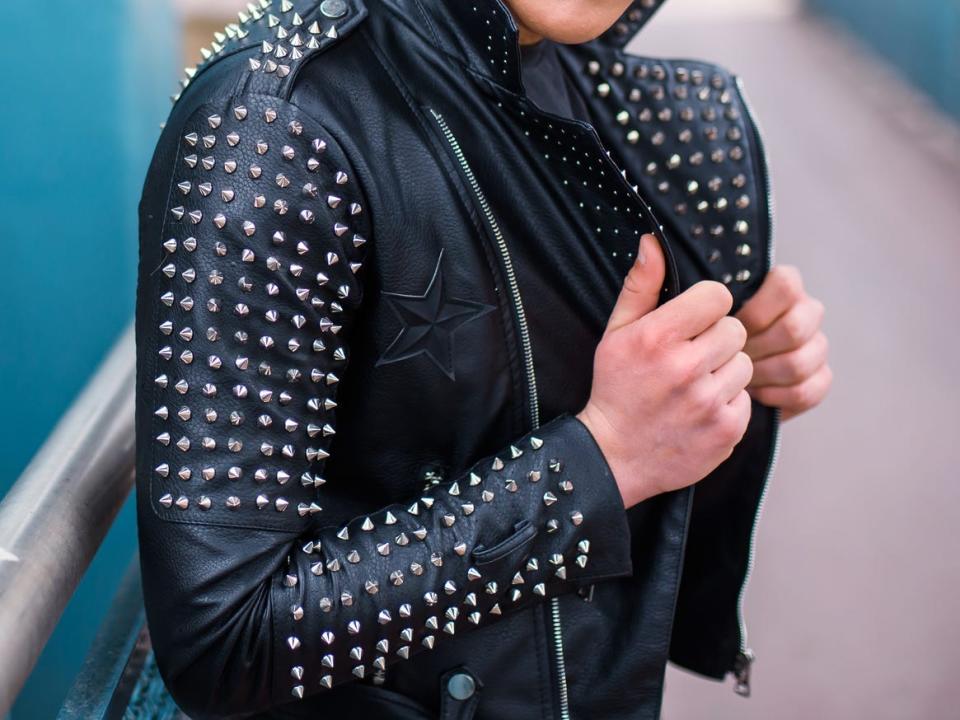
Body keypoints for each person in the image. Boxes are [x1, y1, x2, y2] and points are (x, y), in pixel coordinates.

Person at [134, 0, 831, 718]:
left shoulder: (598, 88)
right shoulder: (271, 125)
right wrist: (604, 460)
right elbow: (223, 642)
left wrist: (719, 380)